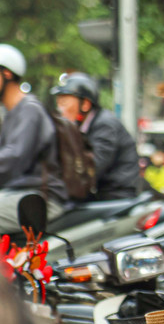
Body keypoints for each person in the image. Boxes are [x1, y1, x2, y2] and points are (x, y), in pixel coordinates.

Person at [0, 45, 67, 232]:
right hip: (18, 194)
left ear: (6, 74)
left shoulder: (29, 110)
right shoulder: (11, 113)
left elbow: (14, 158)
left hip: (39, 198)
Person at [51, 72, 139, 200]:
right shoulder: (80, 127)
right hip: (99, 194)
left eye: (64, 103)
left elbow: (92, 170)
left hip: (115, 196)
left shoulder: (104, 125)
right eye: (58, 103)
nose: (59, 110)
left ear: (85, 104)